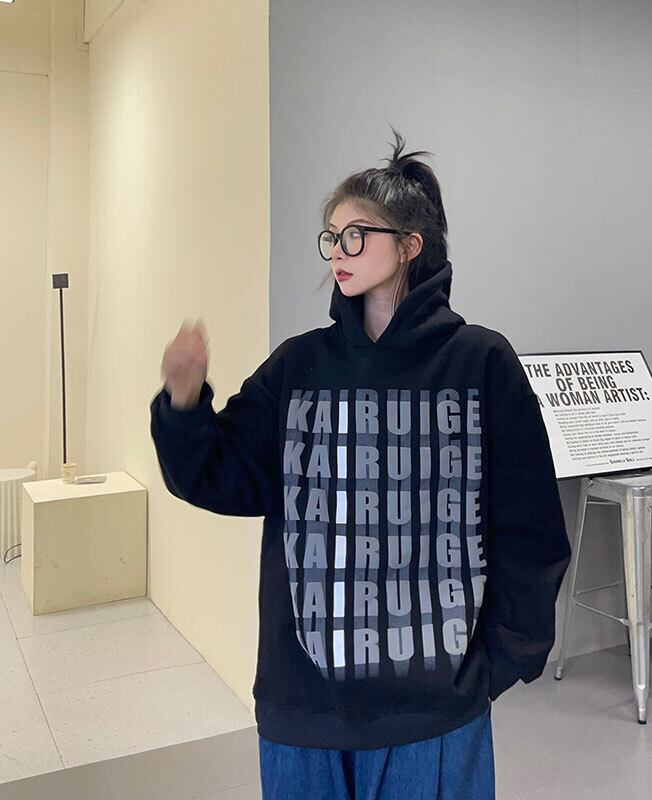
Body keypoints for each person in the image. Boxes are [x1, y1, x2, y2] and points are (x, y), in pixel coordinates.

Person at [149, 126, 572, 800]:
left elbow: (529, 524)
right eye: (332, 237)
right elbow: (223, 476)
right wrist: (183, 401)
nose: (338, 252)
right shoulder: (299, 365)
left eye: (356, 235)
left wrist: (500, 659)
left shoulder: (480, 362)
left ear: (410, 245)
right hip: (304, 703)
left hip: (435, 704)